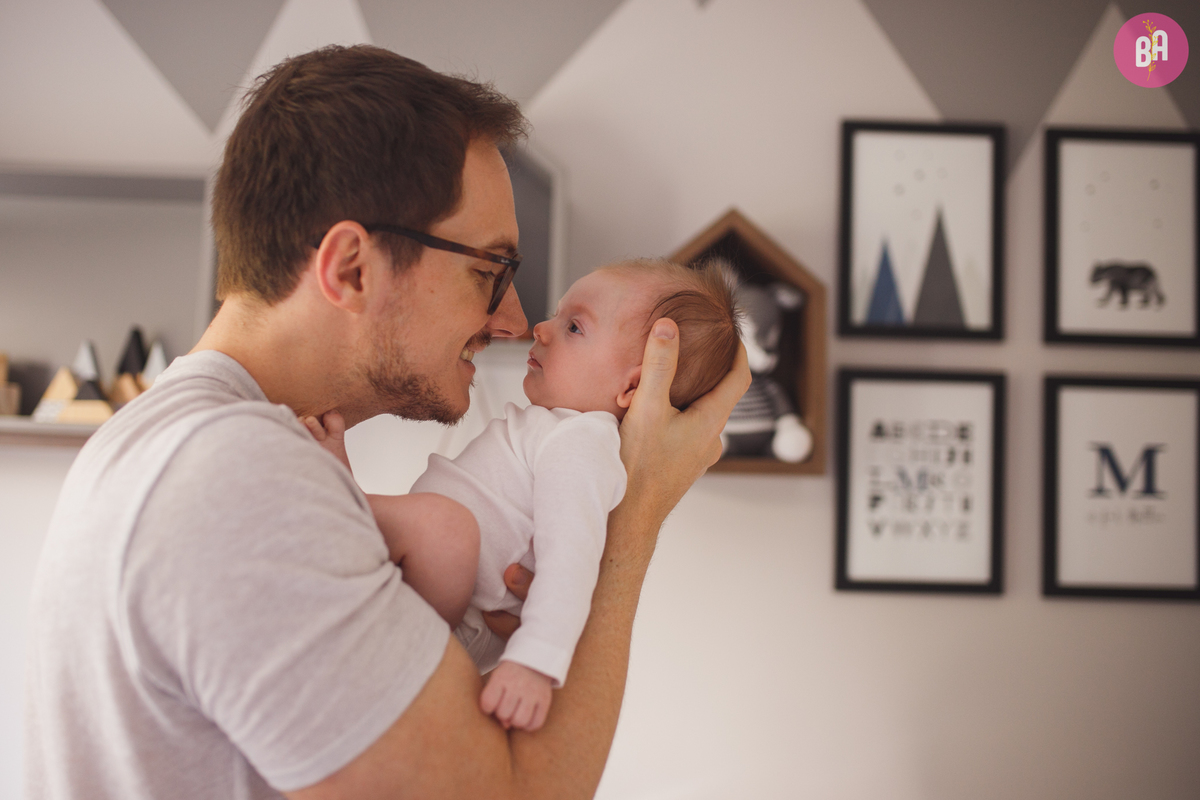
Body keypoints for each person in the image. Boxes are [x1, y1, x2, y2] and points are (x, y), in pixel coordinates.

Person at [25, 44, 748, 800]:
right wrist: (632, 528)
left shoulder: (187, 446)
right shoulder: (232, 479)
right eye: (488, 272)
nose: (514, 320)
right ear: (351, 270)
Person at [306, 258, 740, 732]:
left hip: (450, 624)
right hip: (424, 596)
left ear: (633, 385)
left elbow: (569, 561)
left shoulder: (582, 443)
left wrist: (535, 662)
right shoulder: (558, 431)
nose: (542, 328)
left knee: (441, 528)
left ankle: (335, 499)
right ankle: (342, 499)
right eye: (557, 314)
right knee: (433, 528)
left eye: (574, 326)